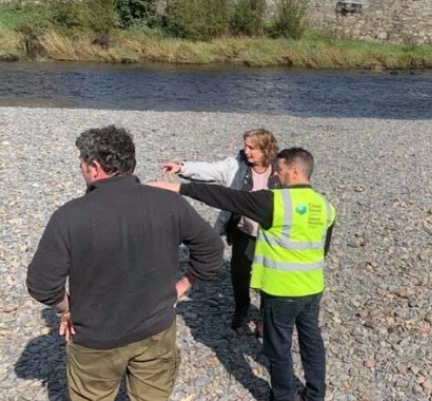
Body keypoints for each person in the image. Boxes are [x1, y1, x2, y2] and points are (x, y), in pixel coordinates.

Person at [26, 125, 225, 401]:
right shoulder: (169, 203)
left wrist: (68, 308)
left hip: (96, 339)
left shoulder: (69, 217)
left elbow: (42, 285)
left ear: (95, 167)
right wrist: (181, 287)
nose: (80, 168)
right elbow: (213, 249)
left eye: (82, 162)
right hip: (156, 331)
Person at [149, 147, 335, 401]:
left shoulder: (275, 201)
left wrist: (179, 188)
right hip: (313, 288)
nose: (275, 175)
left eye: (279, 170)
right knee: (311, 341)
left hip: (282, 289)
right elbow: (322, 249)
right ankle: (315, 395)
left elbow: (227, 198)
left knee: (278, 347)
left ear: (294, 171)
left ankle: (282, 396)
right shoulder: (326, 207)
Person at [160, 128, 281, 329]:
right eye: (245, 146)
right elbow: (211, 170)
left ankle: (264, 316)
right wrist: (182, 168)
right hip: (243, 231)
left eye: (251, 147)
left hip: (270, 234)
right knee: (239, 274)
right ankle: (242, 307)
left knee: (269, 276)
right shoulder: (237, 165)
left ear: (265, 149)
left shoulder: (280, 170)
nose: (246, 151)